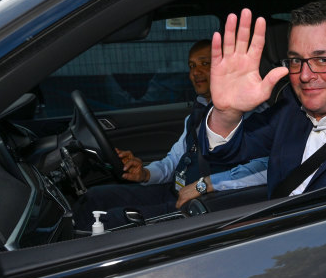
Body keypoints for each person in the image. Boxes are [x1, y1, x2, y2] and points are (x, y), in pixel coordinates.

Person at [199, 0, 326, 198]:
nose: (304, 76)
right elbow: (224, 153)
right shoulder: (291, 104)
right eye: (296, 60)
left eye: (322, 60)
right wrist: (227, 113)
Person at [73, 40, 268, 231]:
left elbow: (266, 167)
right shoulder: (197, 114)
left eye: (205, 63)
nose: (195, 72)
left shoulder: (251, 112)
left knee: (108, 220)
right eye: (192, 66)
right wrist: (145, 174)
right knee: (94, 197)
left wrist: (204, 185)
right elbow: (173, 161)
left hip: (203, 205)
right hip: (174, 191)